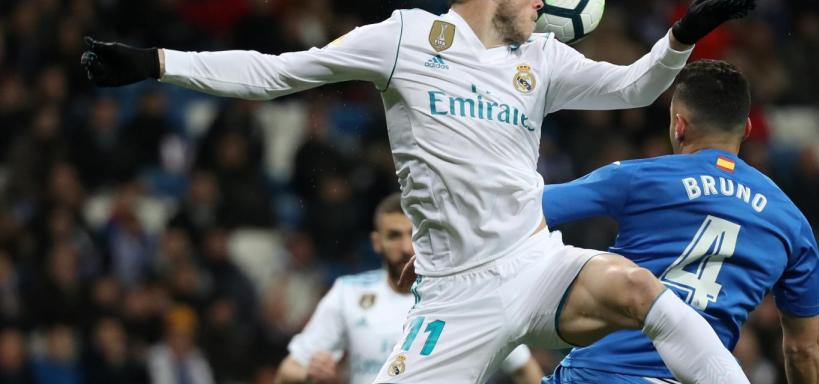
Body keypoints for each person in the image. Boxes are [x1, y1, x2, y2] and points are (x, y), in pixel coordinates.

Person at [80, 0, 757, 382]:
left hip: (534, 261)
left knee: (640, 290)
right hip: (456, 295)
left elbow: (635, 86)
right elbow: (278, 72)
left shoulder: (540, 59)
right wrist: (155, 63)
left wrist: (684, 33)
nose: (548, 11)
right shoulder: (404, 40)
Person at [541, 60, 819, 384]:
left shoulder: (640, 178)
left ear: (679, 126)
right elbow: (804, 350)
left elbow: (528, 209)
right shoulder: (792, 222)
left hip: (600, 374)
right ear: (746, 128)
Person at [275, 194, 542, 384]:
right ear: (376, 242)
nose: (406, 248)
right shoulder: (348, 294)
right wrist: (309, 374)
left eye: (413, 235)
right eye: (394, 236)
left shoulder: (465, 298)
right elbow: (288, 371)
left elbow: (523, 369)